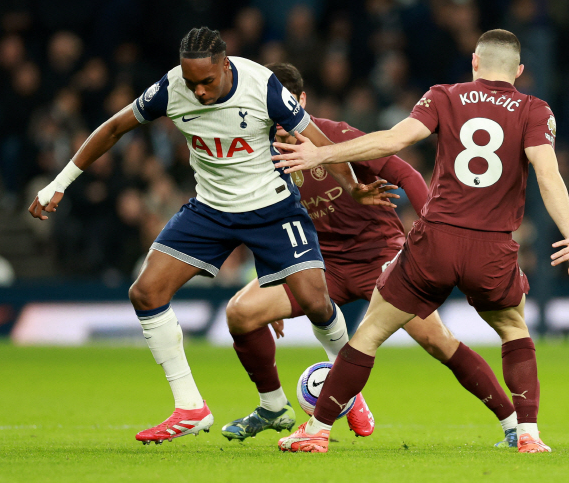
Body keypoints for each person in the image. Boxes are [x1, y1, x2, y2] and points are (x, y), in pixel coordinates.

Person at [28, 27, 395, 445]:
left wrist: (352, 188)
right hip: (211, 210)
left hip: (272, 210)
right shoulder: (170, 88)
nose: (199, 92)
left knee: (315, 301)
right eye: (191, 82)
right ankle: (190, 407)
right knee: (145, 293)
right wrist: (61, 182)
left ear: (226, 65)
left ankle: (349, 389)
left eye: (207, 81)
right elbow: (113, 128)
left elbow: (317, 140)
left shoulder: (263, 86)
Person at [274, 29, 569, 454]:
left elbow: (393, 141)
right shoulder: (534, 110)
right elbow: (548, 174)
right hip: (491, 247)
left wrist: (321, 154)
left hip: (435, 239)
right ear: (520, 70)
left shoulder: (445, 96)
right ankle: (527, 434)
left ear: (475, 61)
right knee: (513, 329)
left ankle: (317, 432)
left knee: (368, 334)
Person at [222, 63, 520, 447]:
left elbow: (407, 175)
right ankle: (273, 407)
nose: (278, 119)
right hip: (317, 265)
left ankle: (513, 424)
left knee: (436, 340)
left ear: (301, 102)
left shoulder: (335, 136)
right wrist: (273, 271)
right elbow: (260, 220)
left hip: (379, 256)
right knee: (242, 313)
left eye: (286, 106)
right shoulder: (255, 153)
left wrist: (433, 229)